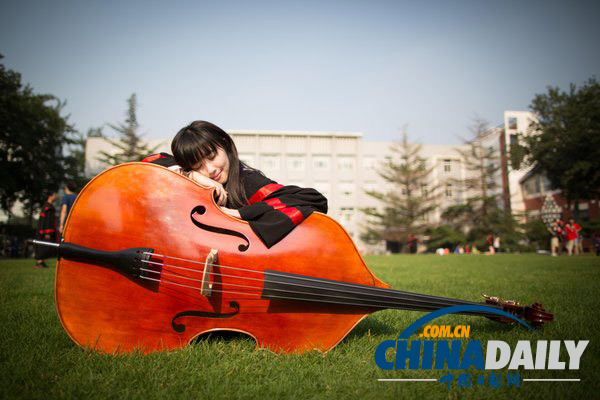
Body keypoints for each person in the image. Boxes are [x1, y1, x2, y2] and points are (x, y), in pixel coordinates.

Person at [142, 120, 328, 248]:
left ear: (225, 144)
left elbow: (314, 199)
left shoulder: (248, 182)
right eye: (198, 165)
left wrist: (237, 213)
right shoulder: (189, 181)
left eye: (212, 156)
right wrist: (192, 176)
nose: (210, 169)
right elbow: (149, 162)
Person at [34, 191, 58, 268]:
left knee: (45, 245)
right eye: (55, 195)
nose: (56, 196)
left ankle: (41, 262)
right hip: (45, 231)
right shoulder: (48, 207)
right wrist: (47, 232)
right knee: (43, 245)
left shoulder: (48, 206)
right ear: (50, 196)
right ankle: (39, 262)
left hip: (45, 230)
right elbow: (47, 220)